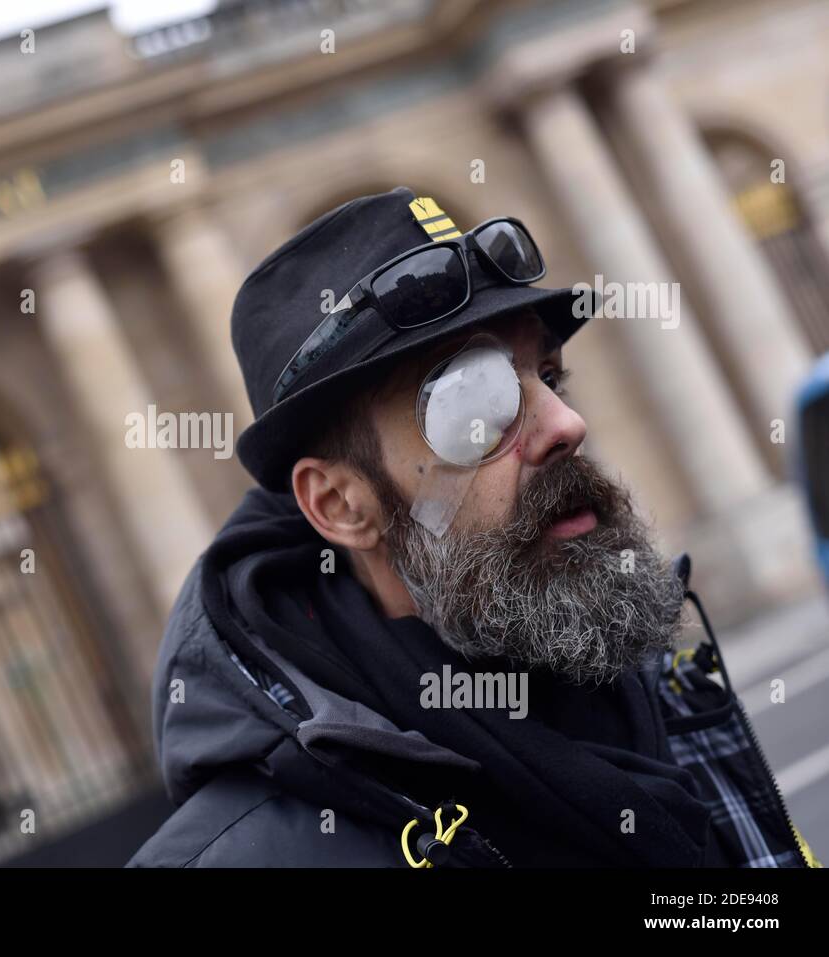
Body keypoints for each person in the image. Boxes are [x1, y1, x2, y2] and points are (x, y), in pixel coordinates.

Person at [126, 187, 818, 868]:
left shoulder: (667, 695)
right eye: (477, 402)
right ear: (341, 505)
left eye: (549, 375)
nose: (564, 425)